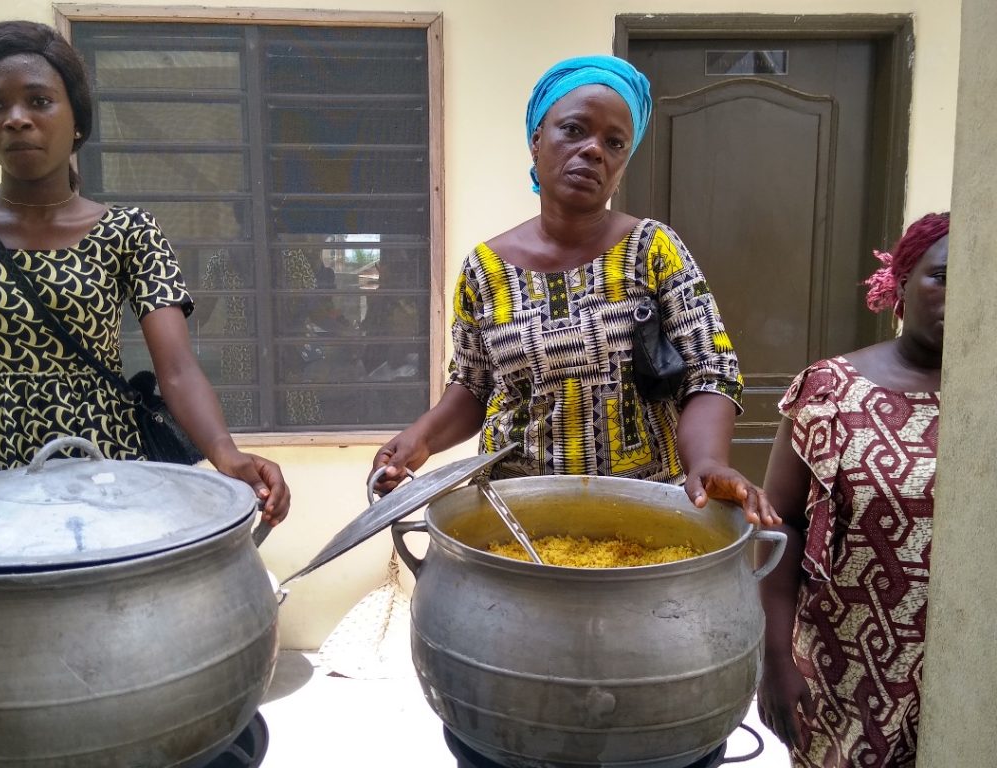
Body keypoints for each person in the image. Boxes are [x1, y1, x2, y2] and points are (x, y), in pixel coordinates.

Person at [369, 54, 777, 766]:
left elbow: (710, 371)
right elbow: (470, 388)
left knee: (643, 725)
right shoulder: (484, 270)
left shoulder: (656, 251)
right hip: (514, 537)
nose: (593, 149)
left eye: (614, 141)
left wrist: (708, 461)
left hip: (646, 538)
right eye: (574, 130)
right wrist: (415, 444)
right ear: (536, 139)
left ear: (625, 160)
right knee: (510, 727)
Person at [0, 20, 289, 524]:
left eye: (38, 100)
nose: (16, 119)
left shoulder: (129, 231)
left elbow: (178, 369)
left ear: (77, 118)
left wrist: (226, 454)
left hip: (105, 467)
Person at [756, 212, 949, 767]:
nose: (957, 296)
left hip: (966, 665)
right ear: (902, 283)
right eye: (941, 277)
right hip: (847, 667)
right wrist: (775, 660)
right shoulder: (831, 390)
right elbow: (780, 525)